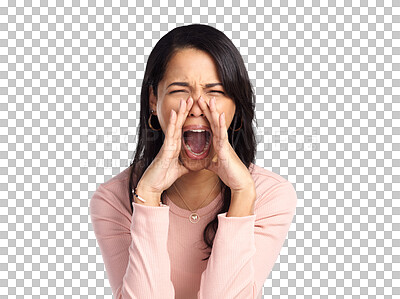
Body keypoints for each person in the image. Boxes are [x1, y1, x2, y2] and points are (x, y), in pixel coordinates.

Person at [90, 24, 297, 299]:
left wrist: (243, 195)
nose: (198, 106)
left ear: (236, 104)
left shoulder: (271, 195)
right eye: (180, 90)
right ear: (154, 100)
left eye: (215, 92)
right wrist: (148, 197)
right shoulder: (113, 199)